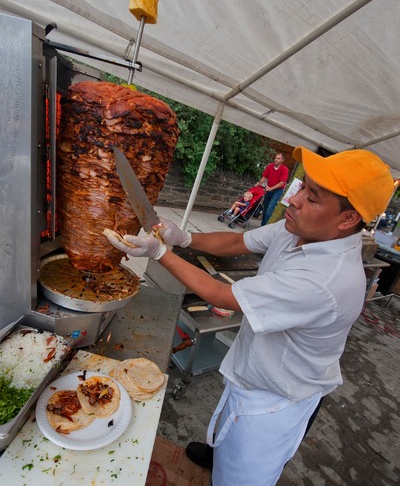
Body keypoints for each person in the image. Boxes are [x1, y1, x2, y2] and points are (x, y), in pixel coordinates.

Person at [106, 147, 394, 486]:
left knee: (242, 477)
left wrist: (160, 253)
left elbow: (222, 295)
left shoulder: (327, 279)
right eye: (302, 187)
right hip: (257, 367)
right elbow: (238, 241)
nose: (295, 200)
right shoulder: (298, 229)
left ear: (347, 219)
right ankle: (217, 455)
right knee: (226, 435)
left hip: (276, 398)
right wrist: (184, 238)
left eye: (312, 198)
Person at [258, 152, 289, 226]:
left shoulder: (285, 169)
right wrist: (259, 184)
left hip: (277, 191)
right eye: (275, 158)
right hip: (268, 189)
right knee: (265, 208)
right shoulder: (270, 166)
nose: (276, 160)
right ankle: (263, 224)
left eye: (278, 159)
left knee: (270, 208)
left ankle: (265, 226)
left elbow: (282, 183)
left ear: (282, 160)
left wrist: (270, 188)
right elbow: (264, 177)